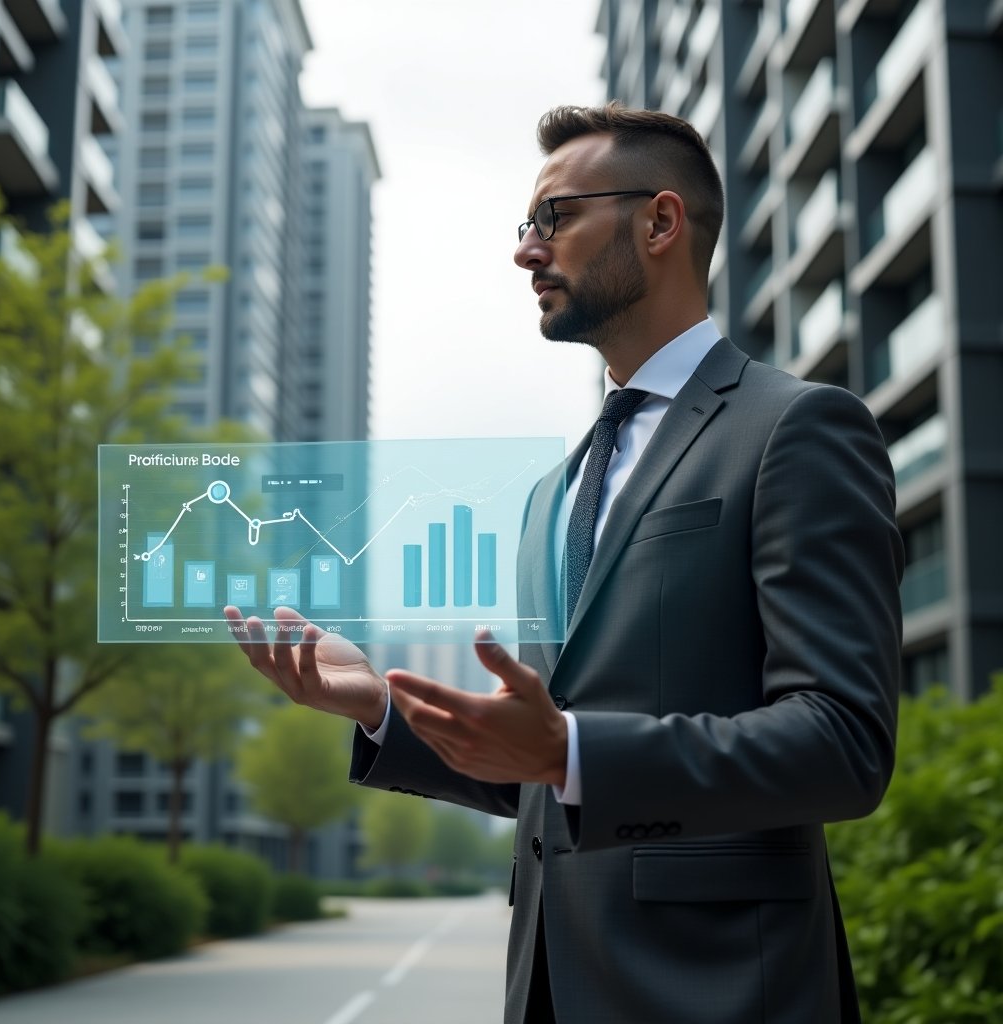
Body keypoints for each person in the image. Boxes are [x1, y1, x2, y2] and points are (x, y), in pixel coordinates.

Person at [225, 102, 903, 1023]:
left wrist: (575, 750)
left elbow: (842, 742)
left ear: (659, 222)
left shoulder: (798, 428)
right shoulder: (555, 491)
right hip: (548, 986)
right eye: (526, 224)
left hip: (723, 994)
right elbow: (548, 767)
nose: (526, 251)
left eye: (556, 217)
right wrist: (383, 708)